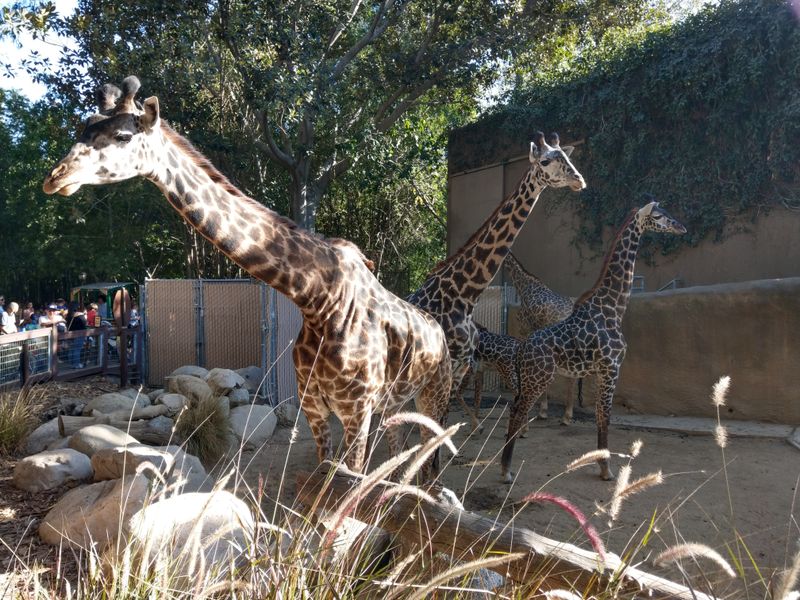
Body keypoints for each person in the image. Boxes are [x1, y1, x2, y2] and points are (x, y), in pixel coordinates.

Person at [67, 301, 87, 368]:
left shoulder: (69, 315)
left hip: (70, 334)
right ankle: (76, 364)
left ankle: (71, 363)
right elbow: (84, 325)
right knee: (77, 349)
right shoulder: (80, 316)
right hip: (79, 334)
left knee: (71, 349)